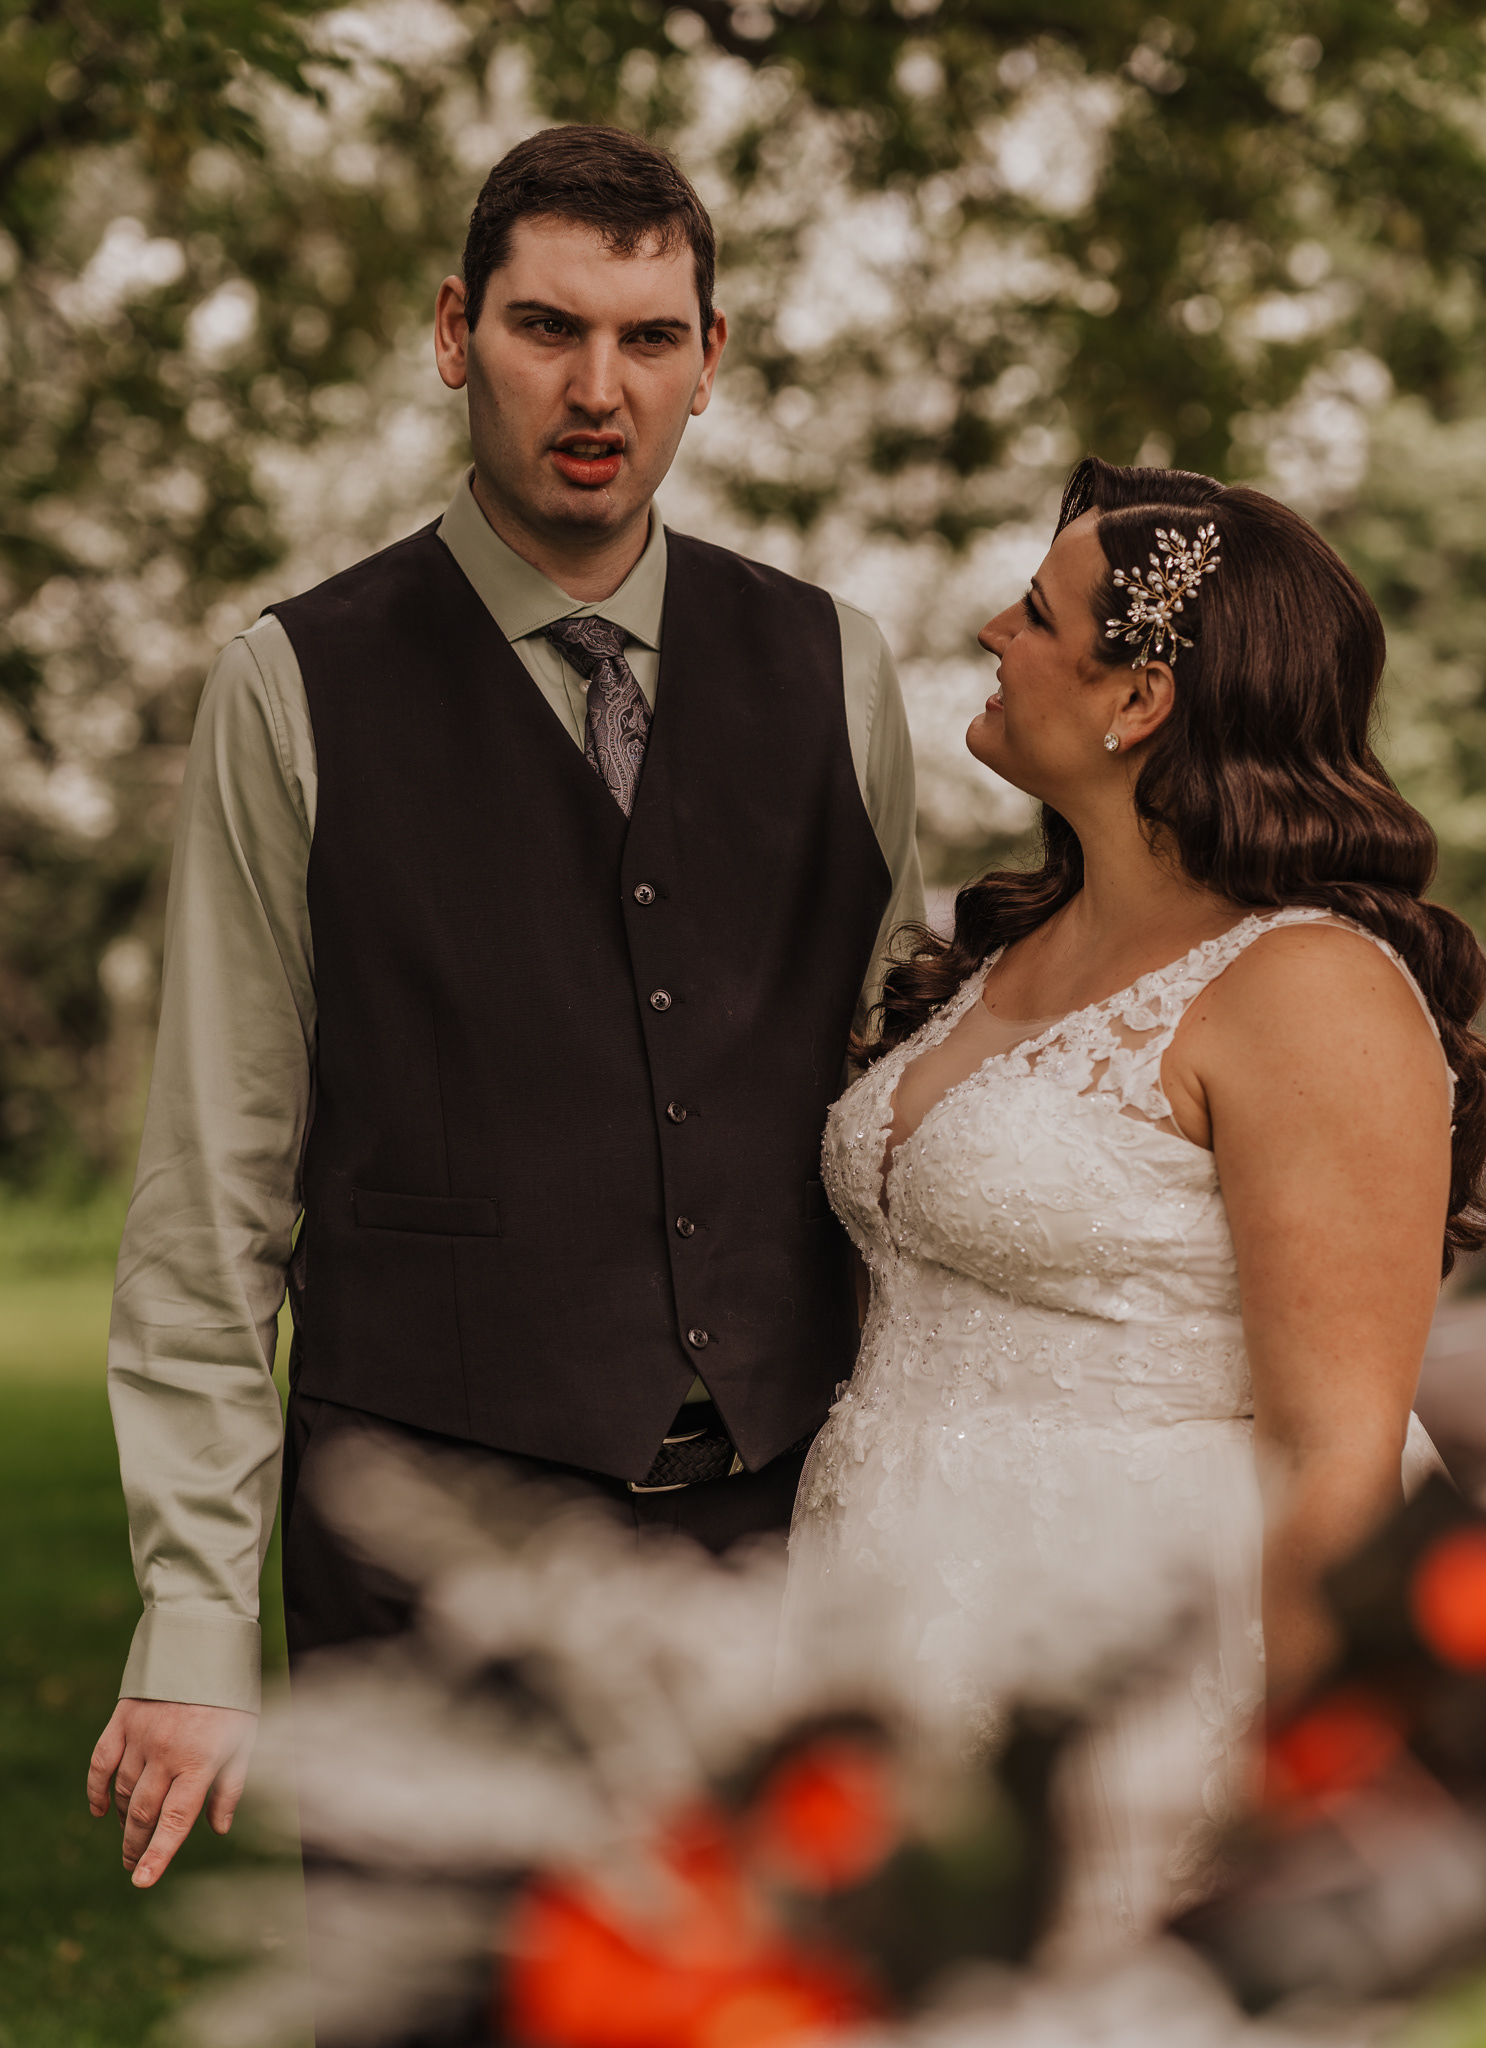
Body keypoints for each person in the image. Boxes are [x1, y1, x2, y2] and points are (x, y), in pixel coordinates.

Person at [87, 126, 923, 1891]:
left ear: (711, 355)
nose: (597, 389)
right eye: (548, 328)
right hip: (423, 1558)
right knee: (431, 2010)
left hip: (775, 1549)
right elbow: (214, 1183)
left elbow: (880, 1127)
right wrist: (192, 1623)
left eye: (647, 336)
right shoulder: (291, 683)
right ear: (456, 332)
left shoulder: (839, 669)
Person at [782, 456, 1486, 1959]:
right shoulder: (1008, 946)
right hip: (881, 1605)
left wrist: (1302, 1797)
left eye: (1036, 615)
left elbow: (1336, 1458)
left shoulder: (1311, 990)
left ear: (1141, 698)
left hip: (1128, 1661)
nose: (993, 632)